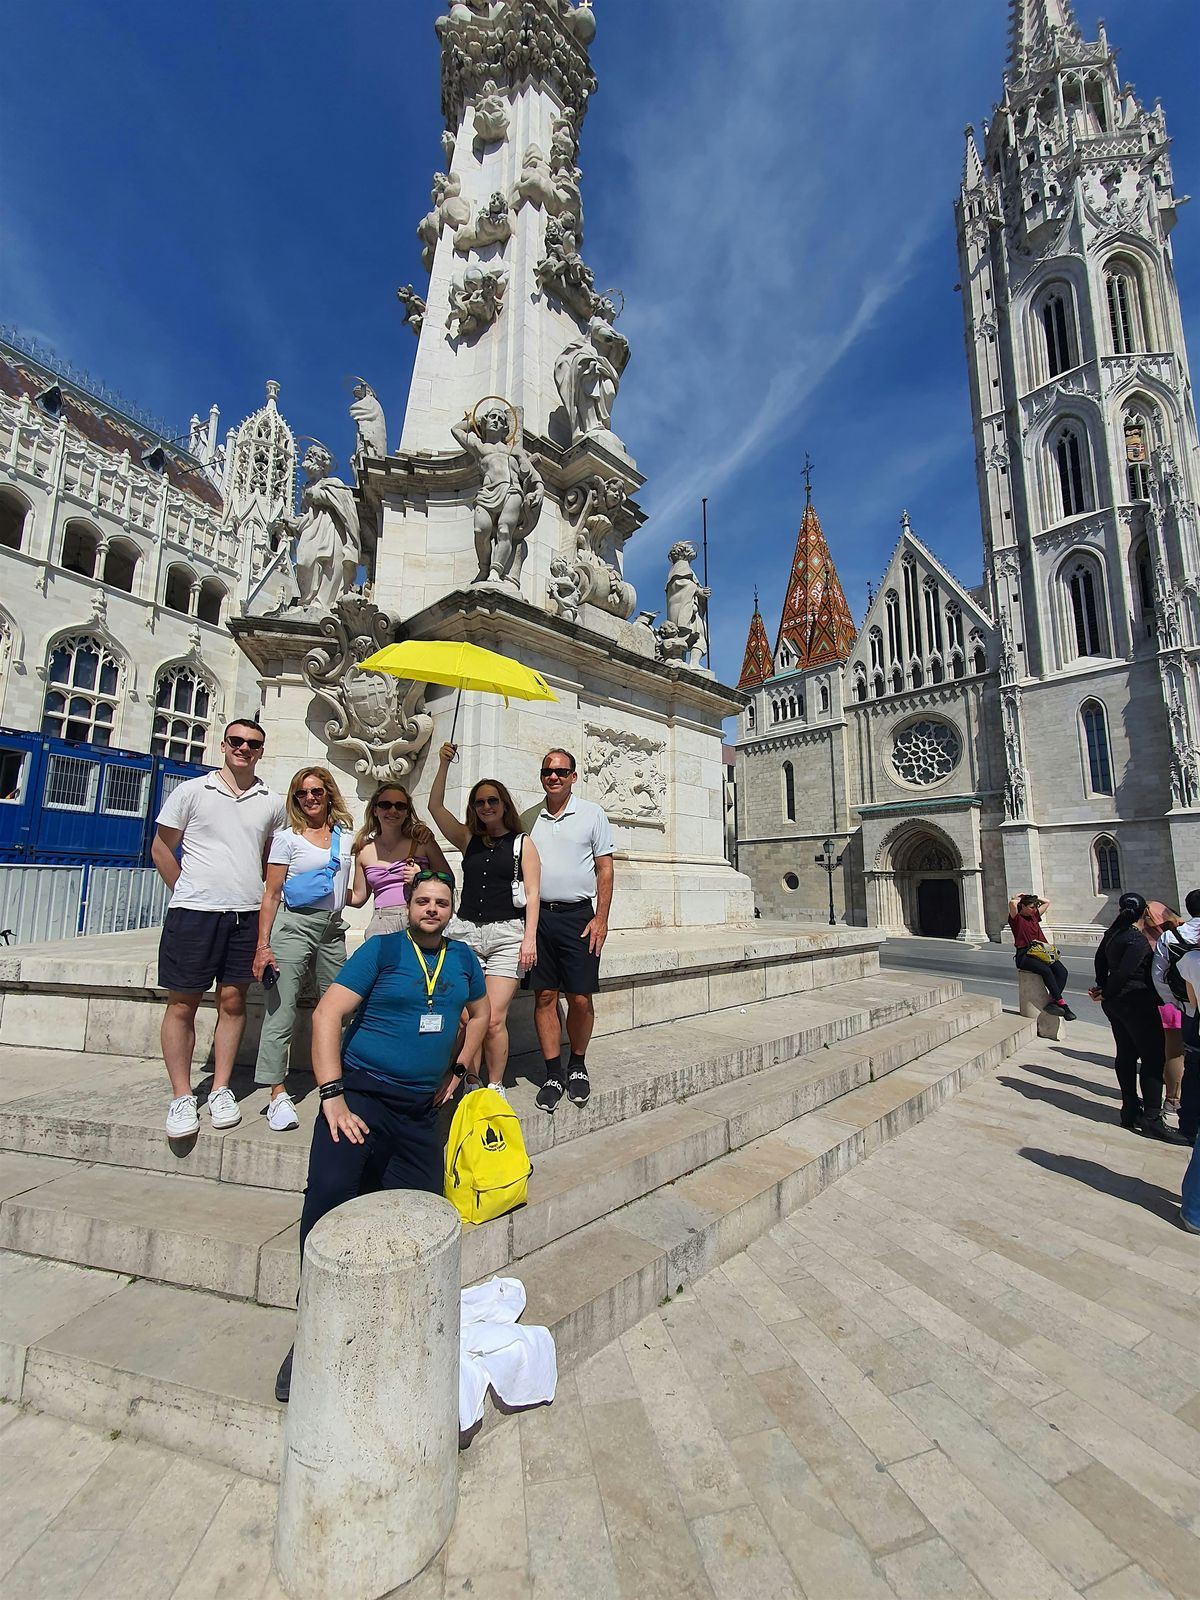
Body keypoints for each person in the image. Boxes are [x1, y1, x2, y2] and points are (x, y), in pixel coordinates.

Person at [274, 870, 488, 1401]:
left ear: (452, 908)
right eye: (423, 901)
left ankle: (403, 1320)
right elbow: (327, 1013)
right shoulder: (384, 951)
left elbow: (482, 1014)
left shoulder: (463, 960)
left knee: (421, 1212)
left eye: (441, 902)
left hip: (418, 1113)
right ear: (408, 905)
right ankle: (310, 1331)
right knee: (327, 1198)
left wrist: (459, 1070)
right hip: (361, 1099)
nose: (431, 909)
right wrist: (331, 1096)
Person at [151, 718, 286, 1139]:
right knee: (182, 1004)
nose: (244, 748)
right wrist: (186, 889)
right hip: (194, 913)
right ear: (224, 744)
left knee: (232, 1001)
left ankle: (222, 1087)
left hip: (244, 915)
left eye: (253, 743)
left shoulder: (271, 802)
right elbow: (161, 847)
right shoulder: (192, 791)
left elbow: (271, 860)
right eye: (237, 741)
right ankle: (181, 1095)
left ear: (261, 751)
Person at [428, 743, 541, 1093]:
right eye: (480, 802)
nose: (487, 806)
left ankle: (495, 1084)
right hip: (466, 933)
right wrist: (443, 763)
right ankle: (471, 1080)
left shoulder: (523, 843)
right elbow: (434, 807)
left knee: (492, 1018)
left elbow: (533, 894)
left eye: (493, 800)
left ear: (504, 804)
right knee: (466, 1015)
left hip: (507, 934)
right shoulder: (468, 839)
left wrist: (529, 939)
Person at [251, 767, 356, 1132]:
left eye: (316, 791)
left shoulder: (345, 834)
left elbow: (352, 891)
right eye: (302, 793)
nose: (310, 798)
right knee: (281, 1009)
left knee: (339, 1006)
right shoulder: (287, 838)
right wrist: (263, 945)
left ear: (329, 793)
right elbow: (272, 894)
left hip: (332, 927)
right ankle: (276, 1092)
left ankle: (337, 1078)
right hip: (293, 925)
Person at [528, 747, 614, 1113]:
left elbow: (605, 870)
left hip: (579, 917)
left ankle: (576, 1063)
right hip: (539, 917)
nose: (554, 777)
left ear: (573, 777)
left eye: (561, 772)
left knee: (579, 997)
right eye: (548, 771)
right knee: (544, 996)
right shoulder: (529, 818)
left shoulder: (592, 814)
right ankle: (552, 1073)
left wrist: (602, 918)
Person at [1089, 892, 1185, 1142]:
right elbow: (1125, 973)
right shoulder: (1135, 939)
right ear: (1144, 912)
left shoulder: (1113, 933)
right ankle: (1152, 1117)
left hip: (1117, 1004)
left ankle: (1129, 1109)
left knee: (1127, 1054)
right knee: (1153, 1058)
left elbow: (1100, 961)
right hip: (1136, 1002)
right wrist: (1107, 991)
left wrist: (1103, 988)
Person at [348, 784, 451, 938]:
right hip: (381, 921)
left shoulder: (422, 841)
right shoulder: (363, 851)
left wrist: (422, 877)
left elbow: (449, 880)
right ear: (375, 810)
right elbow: (358, 897)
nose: (393, 810)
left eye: (400, 806)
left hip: (417, 917)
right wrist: (329, 891)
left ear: (407, 812)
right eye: (385, 805)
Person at [1150, 891, 1200, 1122]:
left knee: (1185, 1059)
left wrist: (1175, 1003)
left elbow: (1158, 975)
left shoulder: (1172, 937)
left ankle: (1180, 1109)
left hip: (1186, 1009)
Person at [1163, 888, 1200, 1151]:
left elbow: (1193, 1000)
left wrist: (1173, 1004)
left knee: (1193, 1071)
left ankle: (1187, 1124)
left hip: (1191, 1019)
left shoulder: (1190, 958)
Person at [1007, 892, 1076, 1021]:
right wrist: (1019, 897)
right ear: (1023, 906)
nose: (1034, 910)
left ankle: (1053, 1001)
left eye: (1035, 907)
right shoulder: (1016, 919)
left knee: (1062, 972)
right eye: (1031, 907)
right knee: (1046, 971)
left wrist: (1034, 897)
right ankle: (1063, 1004)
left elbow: (1047, 902)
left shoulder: (1034, 916)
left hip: (1042, 952)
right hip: (1025, 955)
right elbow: (1012, 903)